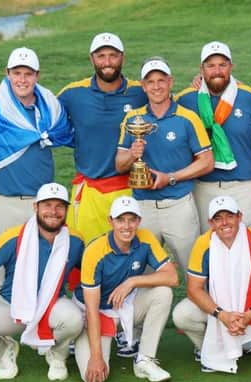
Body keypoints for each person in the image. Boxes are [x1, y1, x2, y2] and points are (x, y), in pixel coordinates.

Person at [0, 47, 73, 298]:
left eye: (28, 73)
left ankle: (40, 329)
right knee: (2, 267)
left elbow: (64, 133)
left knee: (41, 266)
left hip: (41, 204)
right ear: (7, 73)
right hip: (4, 200)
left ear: (37, 75)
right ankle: (3, 330)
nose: (22, 79)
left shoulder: (49, 105)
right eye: (17, 73)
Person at [0, 183, 85, 381]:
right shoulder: (14, 236)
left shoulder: (75, 240)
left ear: (66, 210)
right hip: (11, 306)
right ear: (35, 207)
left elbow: (89, 274)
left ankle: (57, 355)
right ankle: (4, 352)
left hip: (51, 306)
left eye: (59, 206)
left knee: (74, 319)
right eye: (47, 205)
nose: (53, 212)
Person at [172, 196, 251, 373]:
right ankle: (208, 347)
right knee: (182, 315)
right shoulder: (203, 243)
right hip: (219, 312)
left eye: (229, 216)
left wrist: (250, 314)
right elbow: (193, 289)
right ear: (211, 223)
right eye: (218, 218)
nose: (224, 222)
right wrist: (221, 315)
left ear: (239, 216)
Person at [116, 57, 214, 271]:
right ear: (143, 86)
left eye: (161, 80)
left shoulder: (188, 118)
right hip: (142, 208)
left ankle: (199, 305)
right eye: (150, 82)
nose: (156, 86)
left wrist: (170, 178)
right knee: (142, 272)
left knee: (194, 270)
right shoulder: (133, 119)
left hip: (178, 205)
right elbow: (119, 164)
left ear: (170, 82)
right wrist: (133, 154)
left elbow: (207, 162)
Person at [74, 196, 178, 382]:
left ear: (139, 221)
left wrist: (133, 281)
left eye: (132, 219)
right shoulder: (95, 251)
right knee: (94, 376)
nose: (127, 226)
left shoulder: (145, 237)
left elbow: (172, 278)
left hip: (123, 306)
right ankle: (77, 342)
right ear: (111, 221)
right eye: (120, 220)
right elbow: (91, 308)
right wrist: (96, 357)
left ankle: (144, 360)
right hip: (94, 314)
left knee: (163, 293)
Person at [58, 32, 148, 243]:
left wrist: (199, 84)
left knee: (129, 252)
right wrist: (4, 91)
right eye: (101, 56)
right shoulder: (73, 93)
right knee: (85, 253)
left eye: (113, 55)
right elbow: (41, 108)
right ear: (92, 59)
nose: (107, 62)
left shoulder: (140, 92)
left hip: (131, 186)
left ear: (122, 58)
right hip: (90, 188)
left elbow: (167, 102)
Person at [176, 41, 251, 229]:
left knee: (244, 244)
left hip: (243, 186)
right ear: (201, 69)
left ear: (231, 67)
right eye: (211, 66)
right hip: (203, 187)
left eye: (222, 65)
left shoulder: (249, 98)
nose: (217, 71)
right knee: (208, 245)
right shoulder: (186, 100)